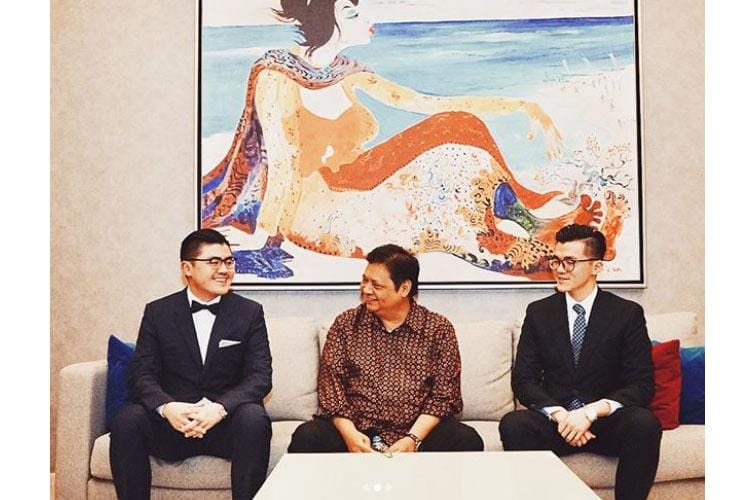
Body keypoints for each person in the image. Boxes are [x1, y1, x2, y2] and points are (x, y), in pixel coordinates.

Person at [201, 0, 629, 280]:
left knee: (458, 126)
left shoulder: (347, 72)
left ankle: (537, 224)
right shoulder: (276, 76)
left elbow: (427, 103)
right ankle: (554, 256)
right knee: (447, 219)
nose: (367, 20)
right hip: (315, 206)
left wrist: (519, 105)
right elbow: (282, 161)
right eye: (352, 11)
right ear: (324, 17)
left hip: (359, 178)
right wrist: (266, 237)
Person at [499, 224, 661, 500]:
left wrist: (589, 413)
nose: (560, 269)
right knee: (514, 424)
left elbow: (641, 384)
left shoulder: (627, 314)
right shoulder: (539, 313)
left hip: (605, 422)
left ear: (596, 266)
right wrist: (562, 415)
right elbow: (524, 380)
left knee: (645, 423)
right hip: (558, 423)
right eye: (556, 261)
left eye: (570, 262)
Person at [109, 229, 273, 499]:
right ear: (187, 268)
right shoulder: (158, 312)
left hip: (223, 424)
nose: (225, 270)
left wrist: (220, 408)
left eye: (229, 261)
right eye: (214, 262)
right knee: (127, 419)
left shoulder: (249, 312)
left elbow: (260, 377)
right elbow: (142, 374)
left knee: (254, 418)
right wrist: (167, 408)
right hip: (172, 425)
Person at [287, 244, 483, 453]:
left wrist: (412, 439)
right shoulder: (346, 325)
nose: (366, 290)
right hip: (356, 431)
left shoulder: (437, 329)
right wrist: (351, 435)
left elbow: (444, 397)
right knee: (308, 436)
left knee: (465, 439)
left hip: (418, 433)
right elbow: (331, 391)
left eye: (376, 285)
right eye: (364, 281)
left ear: (404, 289)